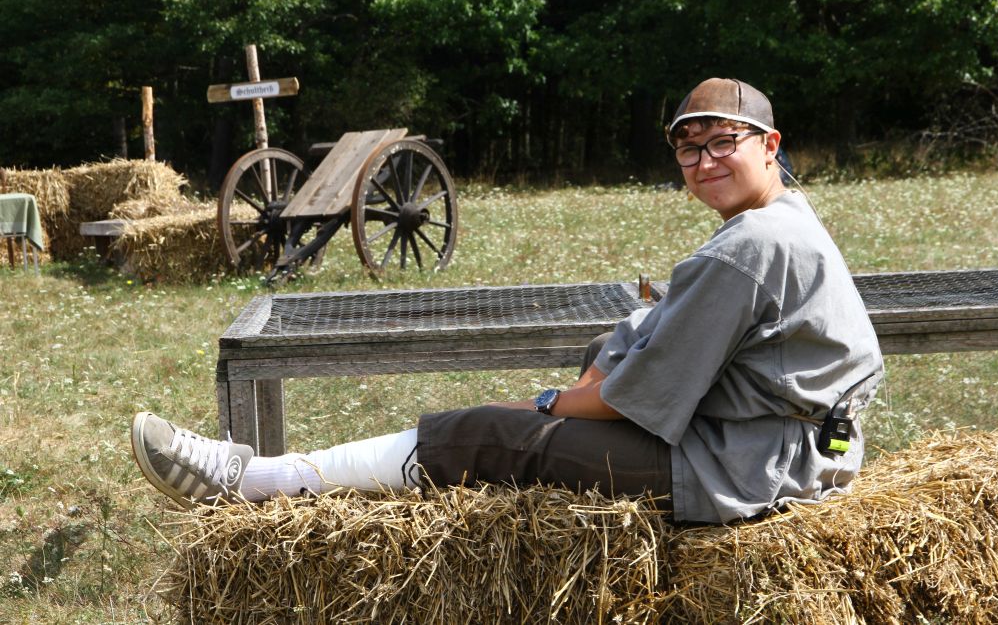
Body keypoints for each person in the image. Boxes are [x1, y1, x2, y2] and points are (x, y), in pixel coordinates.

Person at [131, 77, 884, 524]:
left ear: (768, 144)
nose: (704, 161)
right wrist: (601, 369)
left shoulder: (749, 247)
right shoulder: (784, 221)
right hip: (785, 448)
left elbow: (634, 400)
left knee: (486, 434)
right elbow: (654, 341)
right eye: (689, 147)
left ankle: (252, 481)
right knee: (562, 385)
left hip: (743, 469)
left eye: (723, 142)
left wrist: (551, 401)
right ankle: (266, 475)